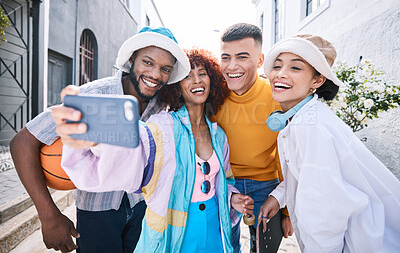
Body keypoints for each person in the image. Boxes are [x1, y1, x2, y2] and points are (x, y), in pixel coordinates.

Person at [9, 26, 190, 253]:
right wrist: (48, 214)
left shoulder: (163, 106)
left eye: (165, 69)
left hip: (143, 209)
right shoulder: (95, 96)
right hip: (97, 213)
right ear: (132, 58)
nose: (155, 74)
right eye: (147, 62)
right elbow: (23, 141)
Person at [58, 48, 255, 252]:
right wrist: (91, 123)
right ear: (177, 86)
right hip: (175, 235)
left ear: (211, 80)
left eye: (202, 73)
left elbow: (225, 180)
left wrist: (233, 198)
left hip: (215, 228)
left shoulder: (219, 135)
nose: (197, 80)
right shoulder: (164, 126)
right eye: (188, 76)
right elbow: (137, 143)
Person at [259, 34, 400, 252]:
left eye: (295, 68)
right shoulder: (306, 117)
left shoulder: (309, 127)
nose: (281, 74)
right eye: (277, 65)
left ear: (317, 80)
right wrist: (278, 197)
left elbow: (323, 214)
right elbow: (306, 174)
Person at [213, 23, 293, 252]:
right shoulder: (213, 96)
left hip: (267, 186)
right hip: (225, 185)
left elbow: (288, 156)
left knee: (264, 249)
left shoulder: (278, 96)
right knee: (226, 246)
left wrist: (287, 210)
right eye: (226, 57)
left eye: (242, 57)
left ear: (260, 61)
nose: (232, 66)